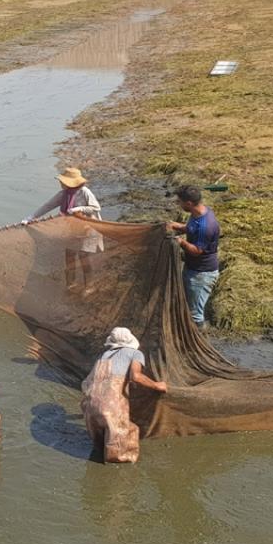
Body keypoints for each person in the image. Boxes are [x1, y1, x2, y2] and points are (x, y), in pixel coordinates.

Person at [80, 327, 168, 463]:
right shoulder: (135, 353)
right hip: (111, 406)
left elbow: (86, 384)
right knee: (123, 447)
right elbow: (136, 376)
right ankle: (117, 477)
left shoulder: (103, 356)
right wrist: (157, 385)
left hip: (90, 408)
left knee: (100, 446)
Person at [24, 167, 103, 293]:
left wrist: (80, 209)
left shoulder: (84, 192)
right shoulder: (63, 194)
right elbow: (48, 206)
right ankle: (71, 284)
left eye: (63, 181)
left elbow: (96, 207)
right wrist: (31, 217)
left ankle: (90, 285)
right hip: (71, 230)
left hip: (89, 229)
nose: (60, 183)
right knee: (70, 256)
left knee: (84, 257)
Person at [166, 185, 221, 327]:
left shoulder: (206, 226)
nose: (179, 205)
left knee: (195, 313)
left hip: (201, 275)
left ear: (189, 203)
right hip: (192, 269)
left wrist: (180, 241)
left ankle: (197, 339)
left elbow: (197, 250)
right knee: (190, 305)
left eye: (180, 202)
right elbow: (191, 227)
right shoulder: (199, 213)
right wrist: (176, 226)